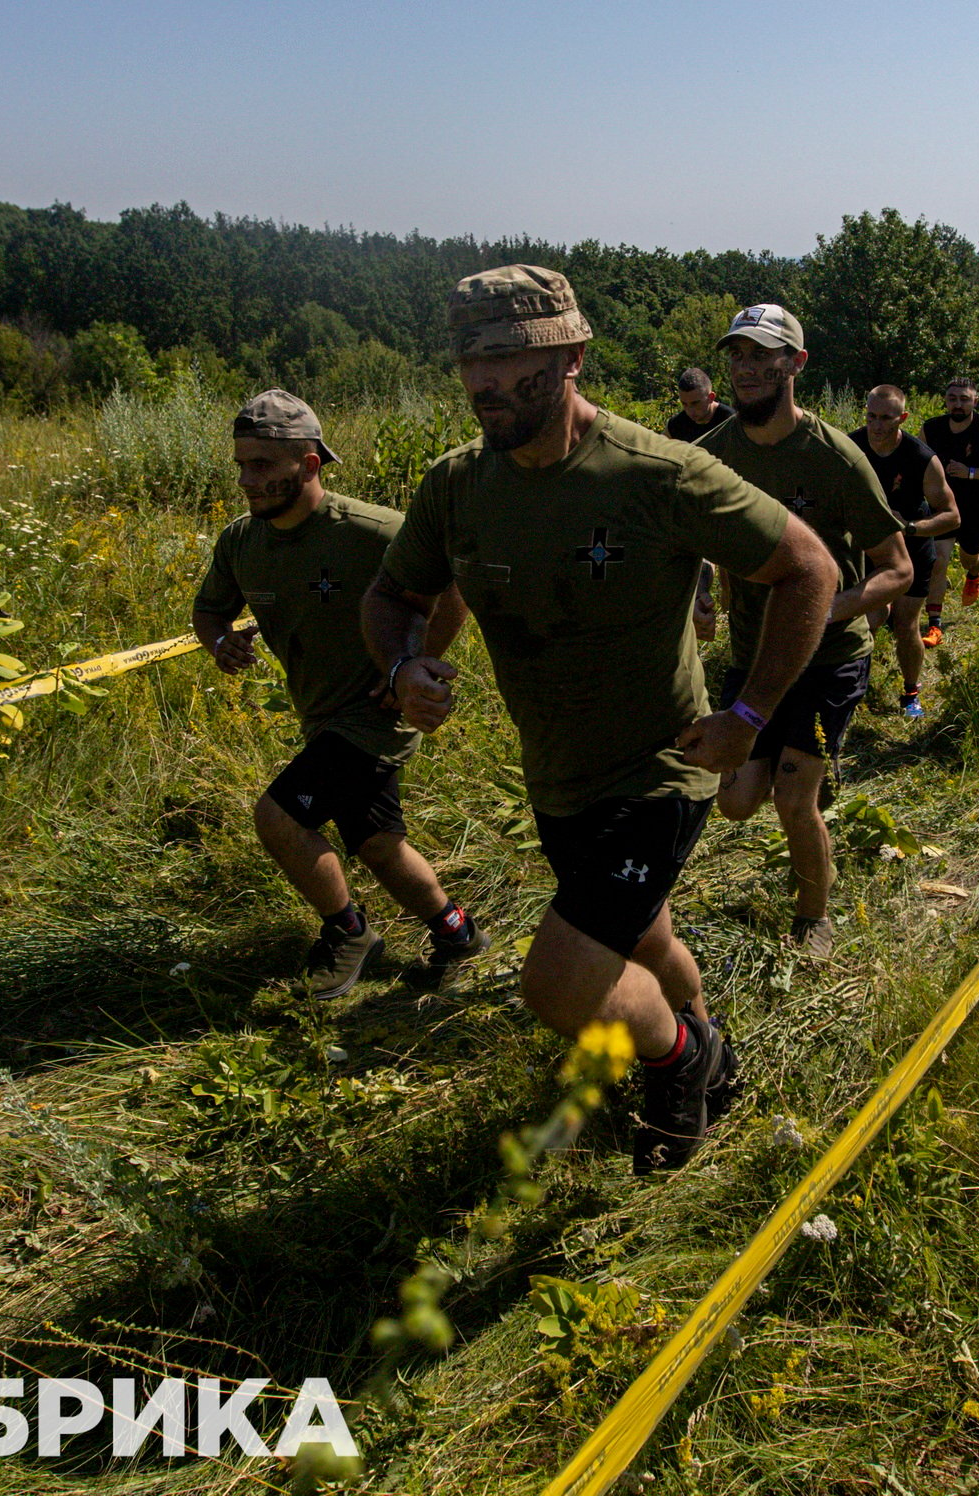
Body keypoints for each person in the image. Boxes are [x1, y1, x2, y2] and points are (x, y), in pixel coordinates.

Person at [366, 266, 839, 1174]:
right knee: (646, 936)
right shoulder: (458, 486)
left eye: (509, 360)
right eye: (471, 361)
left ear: (573, 357)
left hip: (660, 769)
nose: (484, 383)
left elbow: (809, 569)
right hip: (557, 773)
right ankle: (716, 1057)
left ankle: (678, 1060)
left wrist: (749, 713)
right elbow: (394, 593)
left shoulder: (655, 473)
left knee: (556, 981)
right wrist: (402, 661)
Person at [192, 390, 488, 1000]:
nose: (247, 480)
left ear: (308, 464)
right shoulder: (241, 543)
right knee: (377, 843)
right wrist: (220, 643)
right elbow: (209, 610)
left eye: (262, 466)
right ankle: (457, 935)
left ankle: (349, 930)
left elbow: (451, 591)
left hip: (375, 714)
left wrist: (408, 669)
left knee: (278, 817)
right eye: (242, 464)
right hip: (322, 717)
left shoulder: (372, 531)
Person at [699, 307, 911, 957]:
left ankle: (812, 919)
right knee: (735, 801)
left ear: (796, 365)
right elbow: (691, 540)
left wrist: (828, 608)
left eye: (765, 357)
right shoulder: (713, 456)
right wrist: (701, 592)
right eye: (738, 357)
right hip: (753, 653)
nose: (749, 369)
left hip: (829, 655)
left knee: (795, 799)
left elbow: (898, 569)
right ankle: (803, 773)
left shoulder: (834, 460)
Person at [848, 385, 958, 717]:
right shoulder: (849, 447)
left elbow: (952, 515)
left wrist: (908, 527)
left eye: (886, 418)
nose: (877, 426)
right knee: (868, 616)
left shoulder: (920, 457)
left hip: (911, 544)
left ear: (903, 418)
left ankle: (911, 692)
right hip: (866, 545)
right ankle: (855, 683)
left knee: (906, 623)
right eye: (871, 417)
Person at [922, 377, 979, 619]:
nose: (958, 404)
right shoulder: (931, 428)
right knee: (939, 559)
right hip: (942, 504)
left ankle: (975, 571)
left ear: (975, 400)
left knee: (968, 559)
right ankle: (934, 622)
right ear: (945, 401)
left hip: (977, 506)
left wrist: (971, 473)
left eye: (964, 399)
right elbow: (915, 464)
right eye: (953, 399)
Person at [665, 368, 734, 442]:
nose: (690, 411)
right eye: (684, 404)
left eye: (695, 403)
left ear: (711, 397)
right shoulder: (676, 426)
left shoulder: (731, 422)